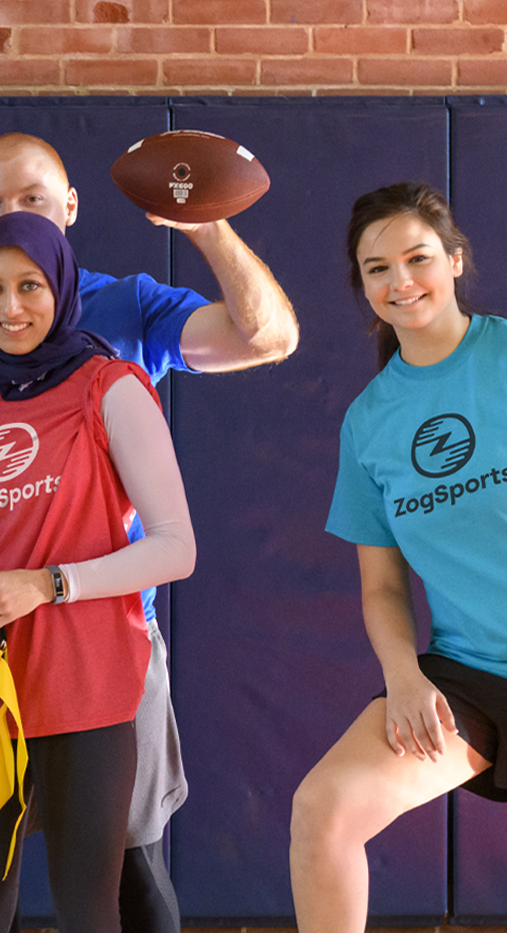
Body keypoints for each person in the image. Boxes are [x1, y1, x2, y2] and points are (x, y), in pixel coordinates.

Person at [0, 132, 298, 933]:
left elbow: (268, 338)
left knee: (125, 872)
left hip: (107, 647)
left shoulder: (127, 318)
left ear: (71, 208)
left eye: (33, 201)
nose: (14, 306)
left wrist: (206, 224)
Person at [0, 212, 196, 932]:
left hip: (88, 689)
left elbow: (177, 548)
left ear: (64, 289)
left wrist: (48, 584)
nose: (10, 307)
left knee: (90, 912)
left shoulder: (112, 387)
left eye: (30, 286)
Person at [292, 183, 506, 932]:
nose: (400, 281)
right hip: (470, 678)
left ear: (454, 261)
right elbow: (382, 587)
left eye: (417, 258)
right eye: (377, 268)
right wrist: (404, 676)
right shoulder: (369, 422)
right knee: (323, 809)